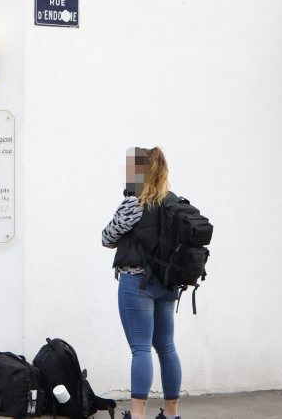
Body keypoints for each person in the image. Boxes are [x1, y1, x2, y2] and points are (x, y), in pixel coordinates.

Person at [102, 147, 182, 419]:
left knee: (141, 348)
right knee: (167, 347)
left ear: (140, 173)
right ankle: (171, 414)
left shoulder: (133, 203)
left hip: (137, 282)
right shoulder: (173, 203)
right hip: (167, 284)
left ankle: (137, 415)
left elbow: (107, 238)